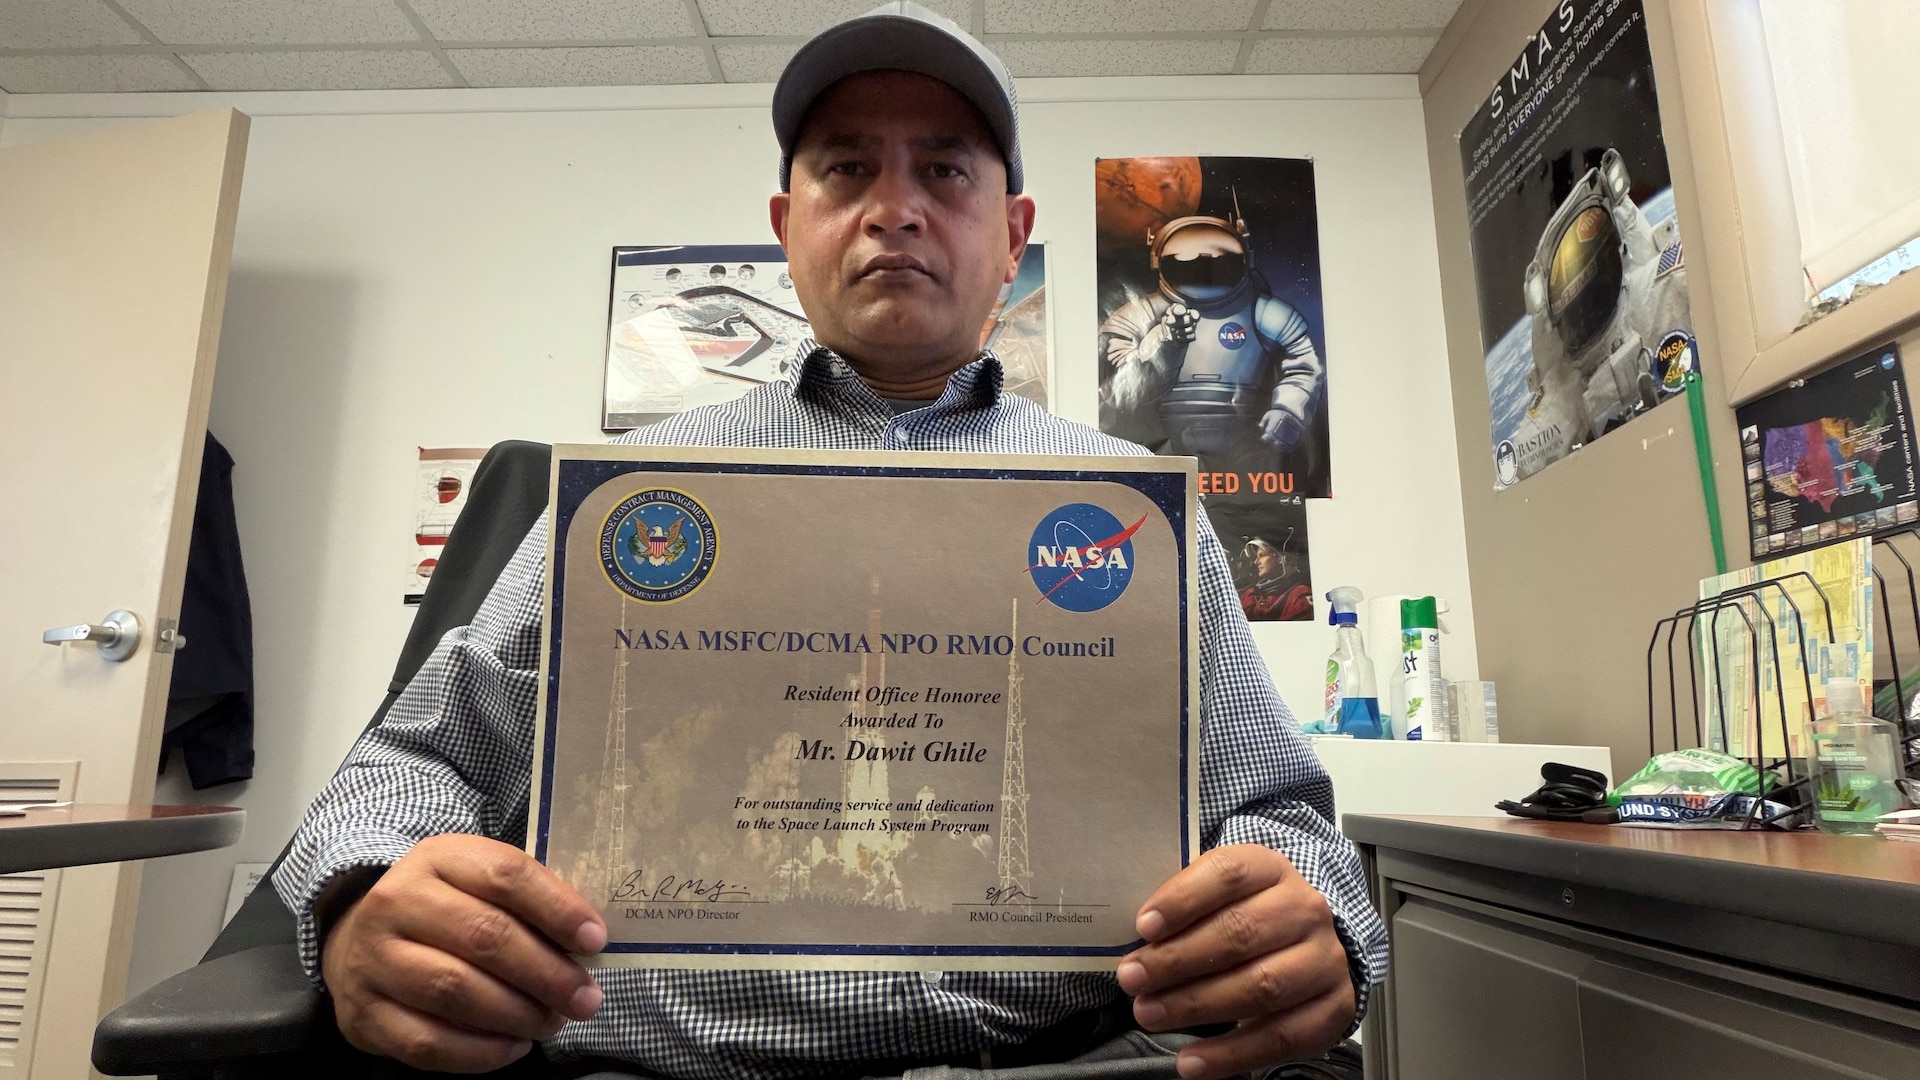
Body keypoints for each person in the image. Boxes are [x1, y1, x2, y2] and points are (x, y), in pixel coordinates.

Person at [274, 5, 1387, 1079]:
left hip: (1051, 1065)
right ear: (786, 228)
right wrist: (364, 896)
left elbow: (1276, 811)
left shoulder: (1136, 512)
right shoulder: (638, 497)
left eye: (944, 171)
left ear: (1011, 237)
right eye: (847, 169)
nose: (893, 208)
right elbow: (413, 762)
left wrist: (1314, 916)